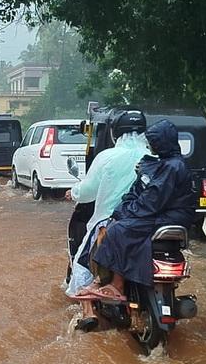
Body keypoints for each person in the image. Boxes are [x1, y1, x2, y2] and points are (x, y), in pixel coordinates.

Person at [74, 119, 195, 314]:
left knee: (117, 230)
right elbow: (140, 193)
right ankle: (110, 282)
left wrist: (125, 213)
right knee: (116, 225)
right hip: (165, 213)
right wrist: (122, 211)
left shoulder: (171, 167)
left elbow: (152, 200)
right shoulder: (162, 164)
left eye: (154, 142)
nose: (151, 146)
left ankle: (115, 285)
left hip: (170, 216)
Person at [65, 111, 152, 330]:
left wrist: (73, 193)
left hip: (108, 221)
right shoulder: (154, 158)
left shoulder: (107, 157)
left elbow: (88, 191)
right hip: (149, 225)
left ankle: (88, 311)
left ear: (115, 133)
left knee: (81, 265)